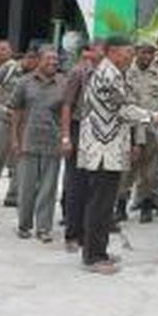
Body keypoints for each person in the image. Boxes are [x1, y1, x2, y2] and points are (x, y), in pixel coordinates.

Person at [78, 36, 158, 275]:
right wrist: (155, 117)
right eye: (128, 51)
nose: (131, 56)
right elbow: (123, 109)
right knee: (99, 204)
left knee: (104, 204)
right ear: (113, 51)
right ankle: (93, 256)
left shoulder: (111, 72)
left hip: (109, 149)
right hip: (103, 151)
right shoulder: (108, 74)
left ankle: (99, 251)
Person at [11, 46, 64, 243]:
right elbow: (16, 111)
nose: (53, 63)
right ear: (39, 60)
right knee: (26, 186)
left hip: (53, 141)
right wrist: (14, 139)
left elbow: (65, 112)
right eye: (49, 59)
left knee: (48, 188)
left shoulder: (62, 83)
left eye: (56, 60)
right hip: (29, 141)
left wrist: (64, 138)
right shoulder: (24, 82)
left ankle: (43, 227)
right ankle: (24, 225)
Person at [61, 39, 103, 252]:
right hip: (78, 130)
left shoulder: (106, 74)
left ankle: (86, 234)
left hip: (98, 134)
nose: (100, 53)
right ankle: (71, 234)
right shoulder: (78, 73)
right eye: (97, 49)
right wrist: (66, 137)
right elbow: (67, 105)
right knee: (75, 186)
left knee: (92, 187)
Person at [0, 42, 33, 208]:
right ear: (25, 57)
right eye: (30, 58)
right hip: (4, 120)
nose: (32, 62)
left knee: (19, 160)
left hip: (24, 124)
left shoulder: (35, 77)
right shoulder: (10, 68)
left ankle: (13, 195)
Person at [126, 38, 158, 223]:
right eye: (144, 52)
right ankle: (120, 205)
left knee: (150, 171)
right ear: (136, 52)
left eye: (151, 53)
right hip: (130, 127)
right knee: (127, 168)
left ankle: (146, 205)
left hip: (151, 128)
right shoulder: (126, 73)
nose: (147, 56)